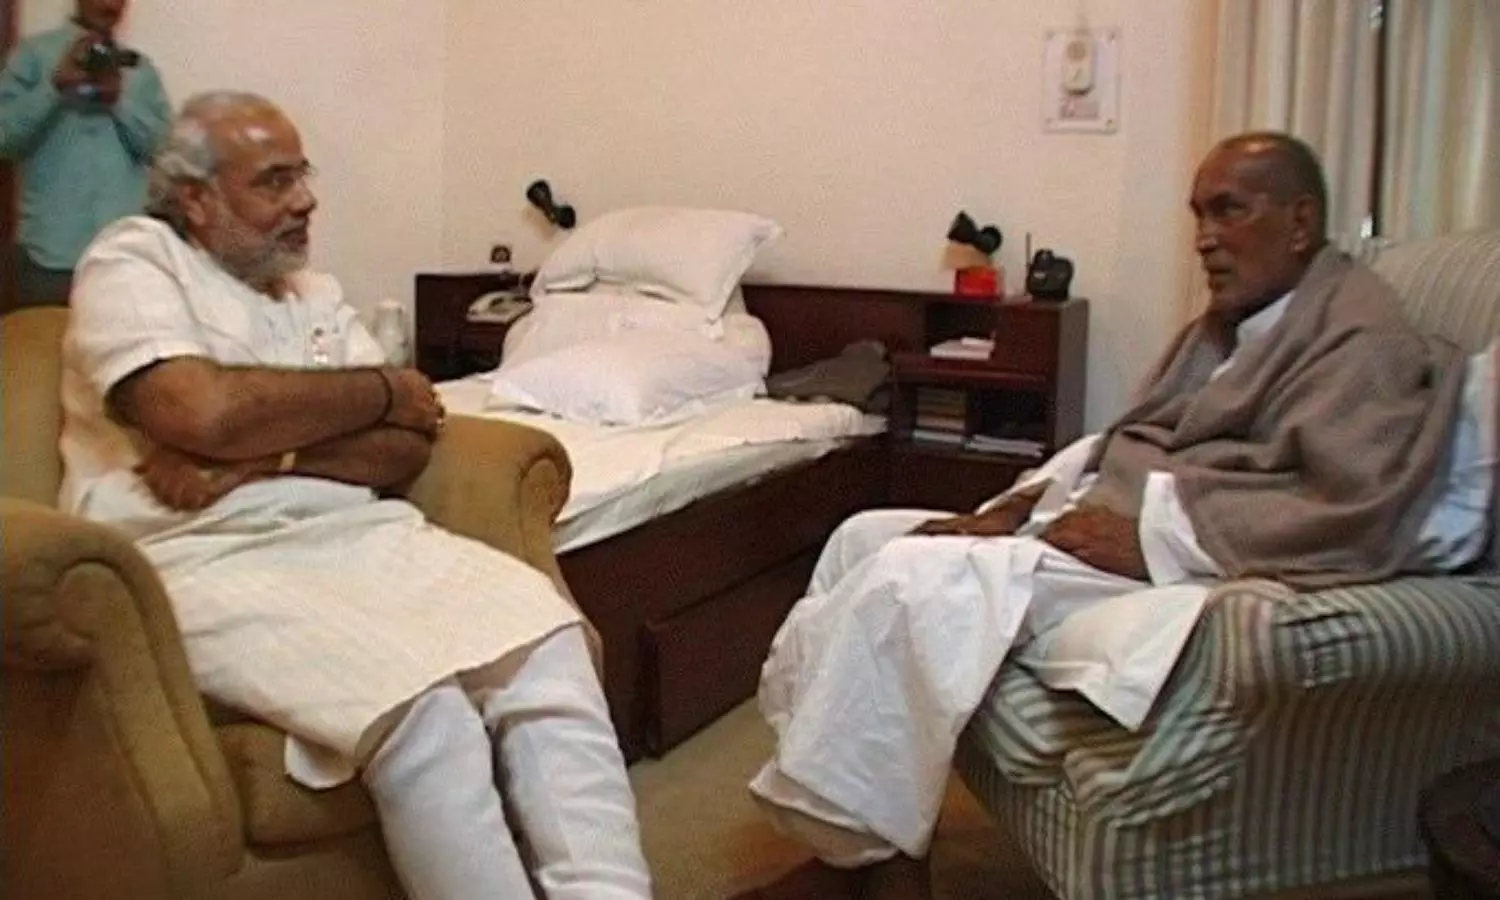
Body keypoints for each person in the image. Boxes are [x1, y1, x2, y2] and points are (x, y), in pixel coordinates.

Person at [735, 132, 1494, 900]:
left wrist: (1152, 537)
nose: (1204, 238)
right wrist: (1019, 504)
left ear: (1300, 222)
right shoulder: (1233, 324)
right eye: (1198, 214)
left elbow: (1354, 504)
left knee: (911, 579)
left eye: (1229, 211)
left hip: (1175, 559)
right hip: (1096, 519)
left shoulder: (1360, 335)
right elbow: (1127, 441)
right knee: (861, 535)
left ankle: (875, 874)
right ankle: (866, 856)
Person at [59, 91, 653, 900]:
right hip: (199, 553)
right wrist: (379, 390)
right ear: (196, 200)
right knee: (425, 712)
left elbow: (405, 443)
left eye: (302, 176)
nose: (306, 200)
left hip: (358, 535)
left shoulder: (312, 291)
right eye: (275, 181)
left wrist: (258, 458)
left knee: (549, 647)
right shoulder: (134, 260)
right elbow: (202, 410)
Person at [0, 0, 170, 311]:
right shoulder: (33, 56)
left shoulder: (140, 70)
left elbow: (161, 149)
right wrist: (54, 88)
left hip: (123, 259)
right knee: (38, 340)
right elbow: (4, 139)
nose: (110, 3)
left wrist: (119, 101)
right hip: (49, 257)